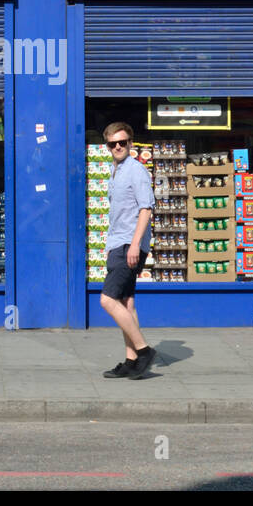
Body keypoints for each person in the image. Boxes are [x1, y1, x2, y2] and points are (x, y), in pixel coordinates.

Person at [99, 122, 158, 380]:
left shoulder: (136, 170)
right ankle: (131, 361)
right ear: (108, 147)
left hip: (128, 245)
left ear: (131, 144)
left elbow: (146, 208)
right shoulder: (117, 171)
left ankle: (144, 350)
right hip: (118, 243)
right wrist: (109, 245)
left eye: (123, 142)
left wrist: (134, 244)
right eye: (113, 144)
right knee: (126, 303)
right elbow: (119, 214)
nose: (118, 147)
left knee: (107, 300)